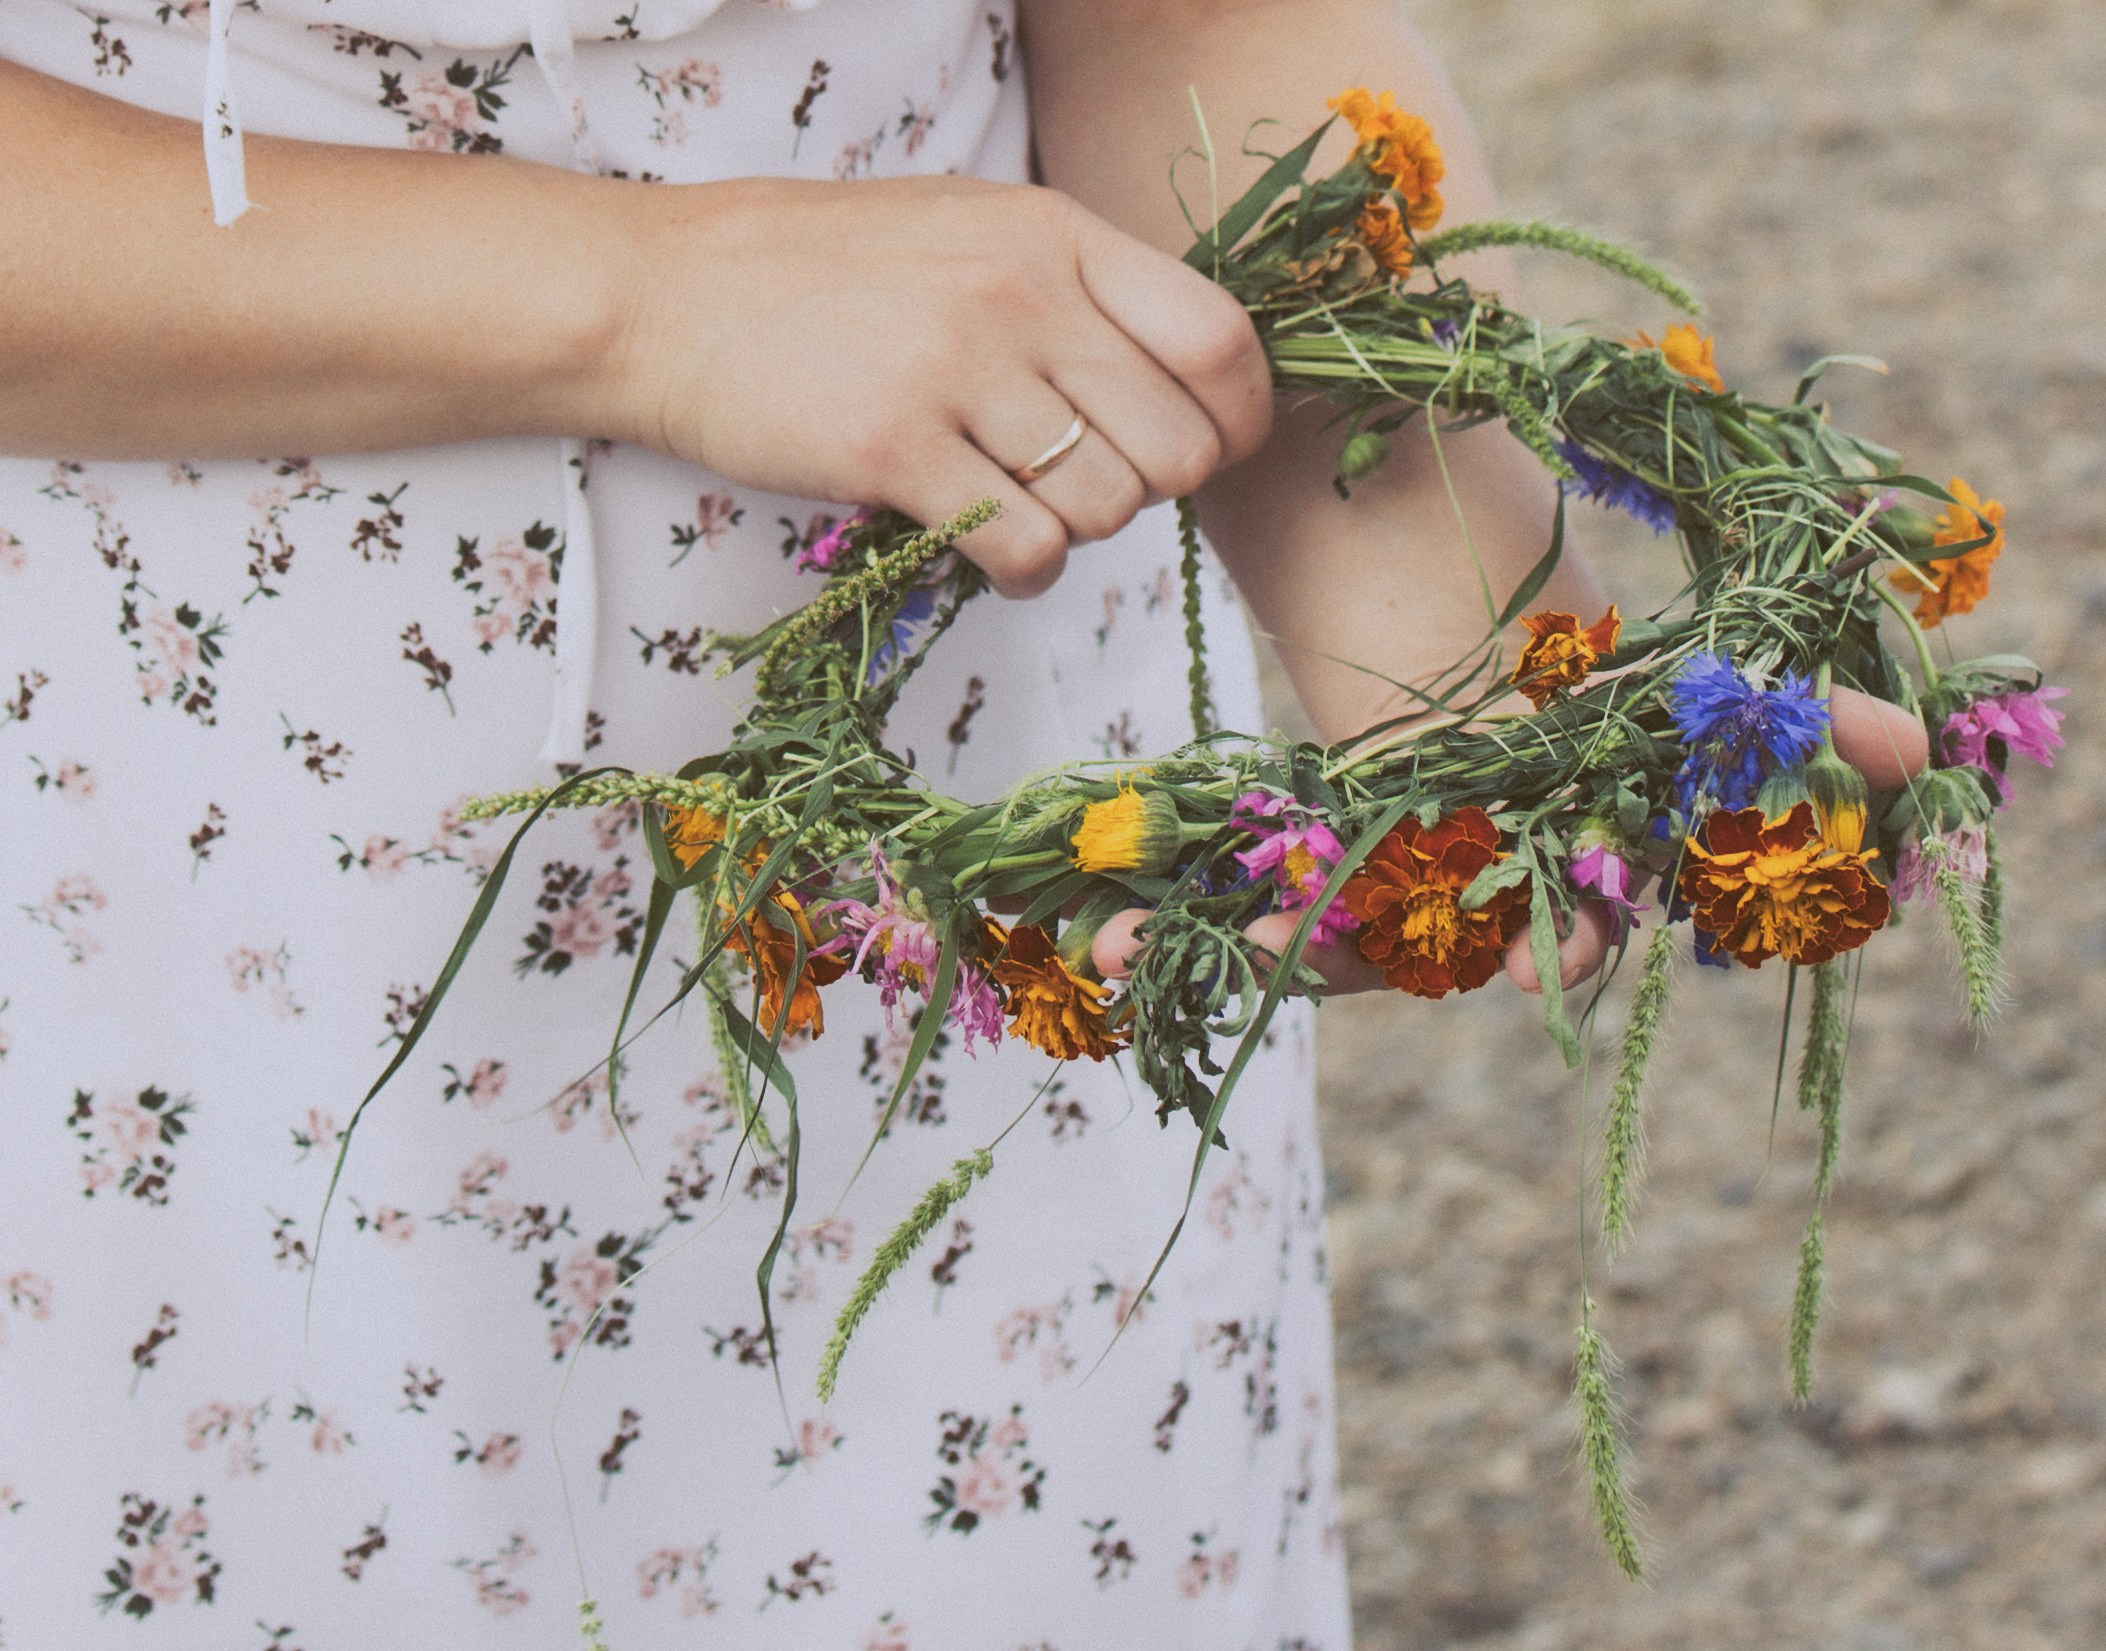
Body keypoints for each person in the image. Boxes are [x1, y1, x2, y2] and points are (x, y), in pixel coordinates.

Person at [0, 2, 1924, 1645]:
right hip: (159, 875)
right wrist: (654, 294)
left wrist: (1457, 659)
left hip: (977, 849)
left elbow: (1178, 25)